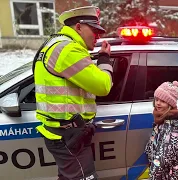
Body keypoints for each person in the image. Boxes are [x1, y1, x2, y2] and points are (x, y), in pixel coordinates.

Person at [33, 6, 113, 180]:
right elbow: (103, 86)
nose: (98, 36)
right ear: (78, 27)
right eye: (94, 30)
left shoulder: (56, 45)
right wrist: (105, 60)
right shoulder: (68, 50)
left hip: (64, 132)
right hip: (68, 135)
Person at [145, 81, 178, 180]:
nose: (158, 103)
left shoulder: (172, 128)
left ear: (170, 104)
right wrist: (149, 150)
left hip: (166, 175)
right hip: (162, 172)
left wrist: (153, 176)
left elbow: (163, 158)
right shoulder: (163, 119)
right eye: (156, 99)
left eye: (163, 101)